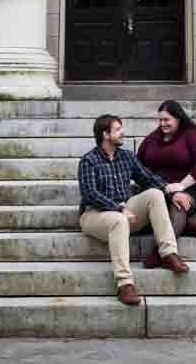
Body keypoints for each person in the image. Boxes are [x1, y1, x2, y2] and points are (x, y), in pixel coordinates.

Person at [77, 112, 188, 303]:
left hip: (125, 211)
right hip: (95, 215)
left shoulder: (126, 156)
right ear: (105, 134)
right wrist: (119, 209)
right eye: (118, 129)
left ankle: (168, 253)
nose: (123, 133)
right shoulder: (89, 161)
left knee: (155, 193)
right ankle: (125, 284)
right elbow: (90, 195)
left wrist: (171, 192)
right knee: (119, 220)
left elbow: (148, 178)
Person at [138, 99, 196, 260]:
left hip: (195, 186)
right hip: (162, 188)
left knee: (178, 206)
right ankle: (184, 226)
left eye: (167, 120)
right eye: (160, 120)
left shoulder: (193, 135)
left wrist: (181, 185)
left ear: (178, 118)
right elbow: (138, 165)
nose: (162, 124)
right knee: (147, 206)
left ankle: (160, 253)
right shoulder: (153, 138)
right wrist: (161, 185)